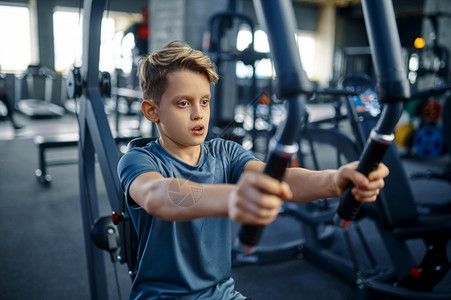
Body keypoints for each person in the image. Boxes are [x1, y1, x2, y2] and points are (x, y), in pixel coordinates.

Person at [117, 41, 389, 299]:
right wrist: (233, 197)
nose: (198, 114)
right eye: (183, 103)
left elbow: (278, 180)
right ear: (152, 111)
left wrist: (334, 180)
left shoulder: (226, 153)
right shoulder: (139, 160)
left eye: (204, 101)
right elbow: (159, 195)